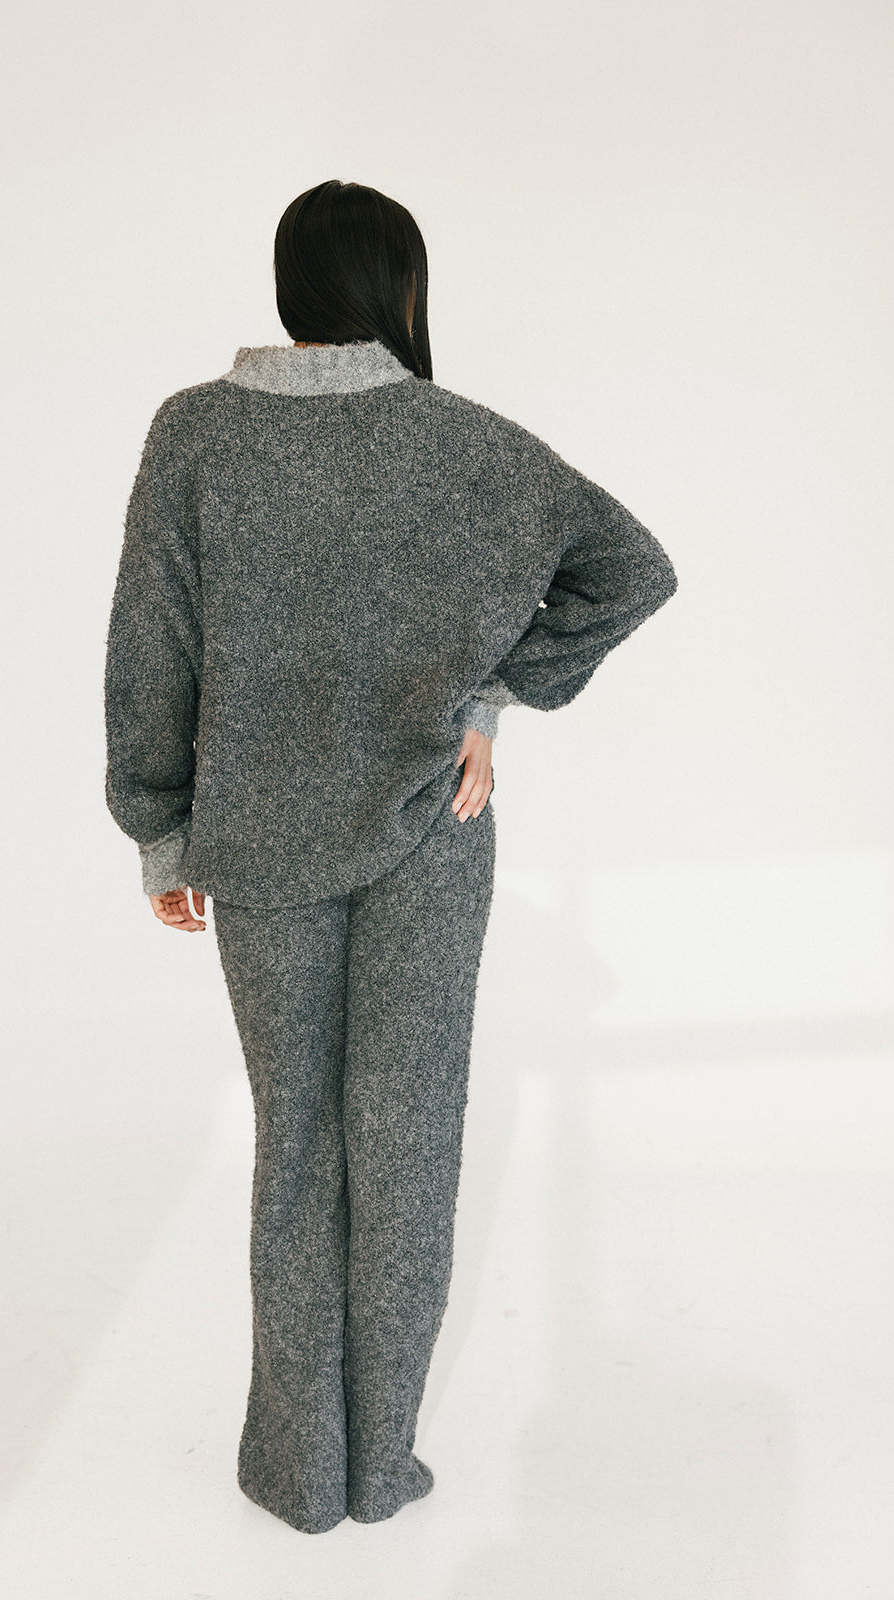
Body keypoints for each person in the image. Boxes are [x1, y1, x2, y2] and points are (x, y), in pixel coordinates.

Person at [103, 179, 678, 1535]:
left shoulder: (195, 434)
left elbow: (153, 643)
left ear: (289, 284)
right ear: (404, 291)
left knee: (297, 1145)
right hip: (434, 836)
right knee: (408, 1145)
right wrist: (486, 702)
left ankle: (298, 1470)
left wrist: (160, 828)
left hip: (257, 842)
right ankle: (381, 1464)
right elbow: (630, 569)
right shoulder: (460, 440)